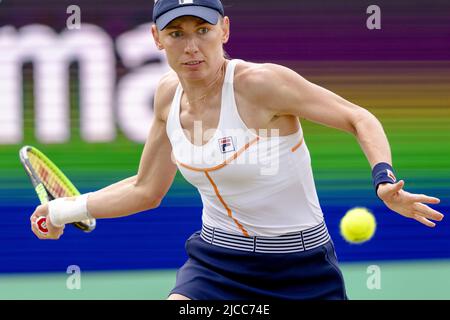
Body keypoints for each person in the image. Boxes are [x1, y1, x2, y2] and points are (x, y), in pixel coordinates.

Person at [30, 0, 445, 300]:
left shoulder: (261, 84)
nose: (192, 47)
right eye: (177, 33)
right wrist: (63, 211)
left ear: (224, 31)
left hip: (301, 267)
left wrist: (384, 181)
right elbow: (145, 189)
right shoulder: (166, 97)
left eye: (203, 31)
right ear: (157, 38)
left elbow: (359, 118)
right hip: (216, 264)